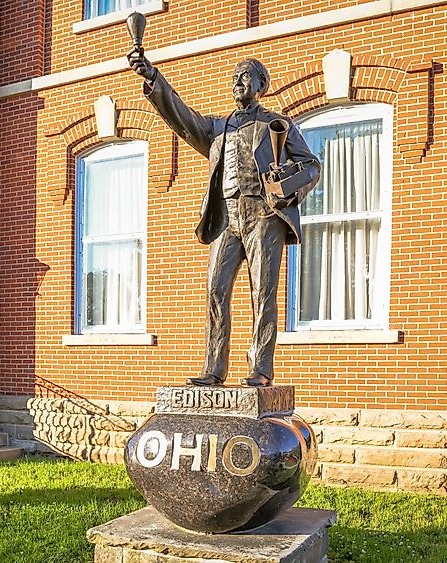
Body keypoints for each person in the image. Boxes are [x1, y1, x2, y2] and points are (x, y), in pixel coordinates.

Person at [127, 49, 321, 387]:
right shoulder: (217, 129)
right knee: (215, 290)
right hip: (227, 217)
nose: (238, 81)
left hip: (263, 215)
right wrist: (153, 79)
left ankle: (261, 368)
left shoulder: (277, 124)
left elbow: (312, 167)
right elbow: (181, 117)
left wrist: (282, 183)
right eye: (235, 76)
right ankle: (214, 369)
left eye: (246, 75)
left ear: (262, 84)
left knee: (263, 293)